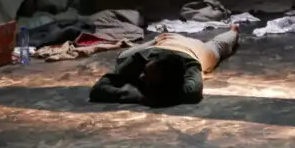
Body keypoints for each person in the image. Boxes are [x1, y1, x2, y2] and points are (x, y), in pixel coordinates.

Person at [89, 26, 239, 107]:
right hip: (163, 43)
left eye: (147, 77)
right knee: (122, 58)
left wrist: (147, 97)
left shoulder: (191, 64)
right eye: (145, 72)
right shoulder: (141, 58)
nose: (141, 76)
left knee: (218, 46)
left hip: (192, 49)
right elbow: (99, 88)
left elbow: (193, 93)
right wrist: (141, 97)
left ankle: (233, 30)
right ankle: (158, 39)